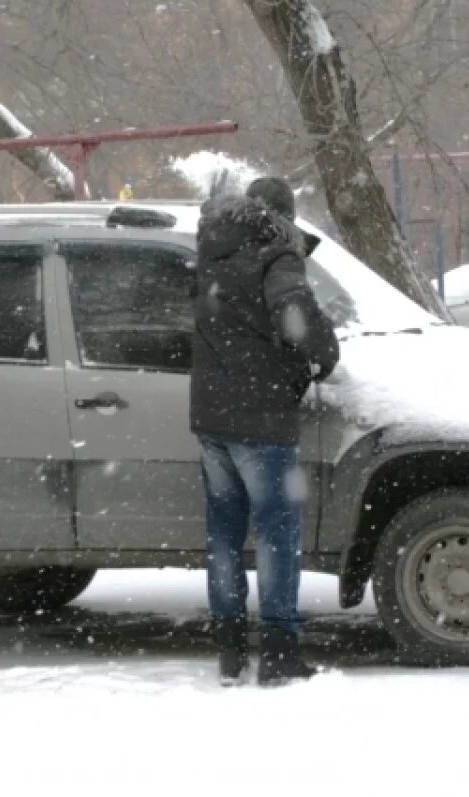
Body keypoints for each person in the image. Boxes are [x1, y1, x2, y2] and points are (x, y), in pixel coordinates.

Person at [191, 176, 341, 686]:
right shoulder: (277, 253)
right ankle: (278, 654)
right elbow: (293, 312)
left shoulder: (212, 250)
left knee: (224, 537)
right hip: (260, 416)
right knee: (277, 536)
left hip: (212, 417)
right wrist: (323, 353)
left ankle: (230, 652)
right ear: (285, 217)